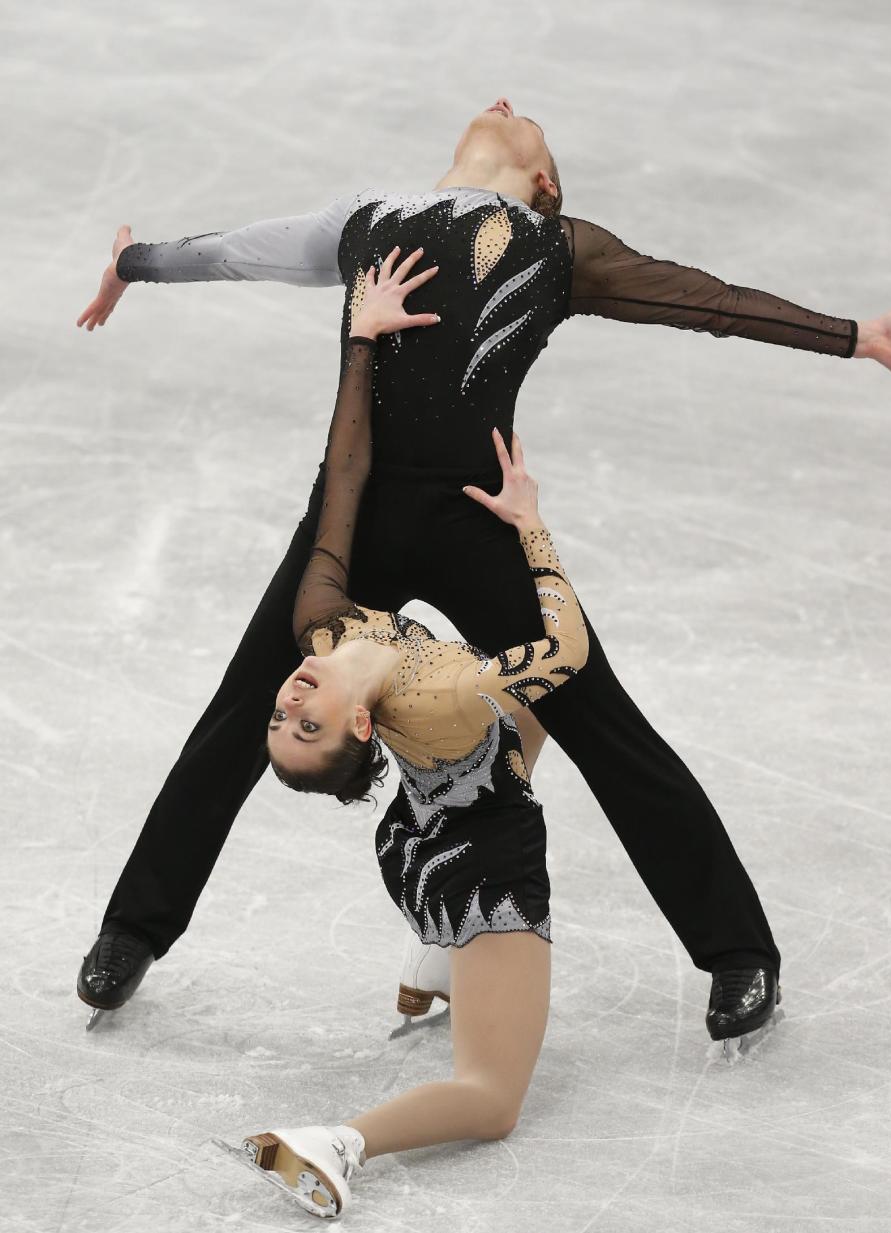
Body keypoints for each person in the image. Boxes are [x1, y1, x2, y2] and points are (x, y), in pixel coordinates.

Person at [75, 97, 891, 1048]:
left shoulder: (561, 246)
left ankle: (737, 949)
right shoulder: (363, 217)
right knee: (245, 703)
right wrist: (133, 263)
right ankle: (133, 928)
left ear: (545, 179)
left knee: (601, 719)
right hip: (350, 513)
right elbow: (238, 251)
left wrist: (854, 334)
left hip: (475, 517)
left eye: (533, 126)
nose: (509, 109)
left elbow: (709, 303)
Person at [216, 248, 584, 1220]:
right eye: (306, 725)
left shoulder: (324, 623)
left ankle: (436, 955)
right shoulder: (445, 685)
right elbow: (570, 652)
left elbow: (342, 474)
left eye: (279, 718)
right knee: (493, 1100)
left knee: (514, 733)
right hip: (480, 867)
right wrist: (531, 529)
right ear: (361, 725)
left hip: (411, 842)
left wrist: (361, 342)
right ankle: (340, 1143)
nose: (288, 700)